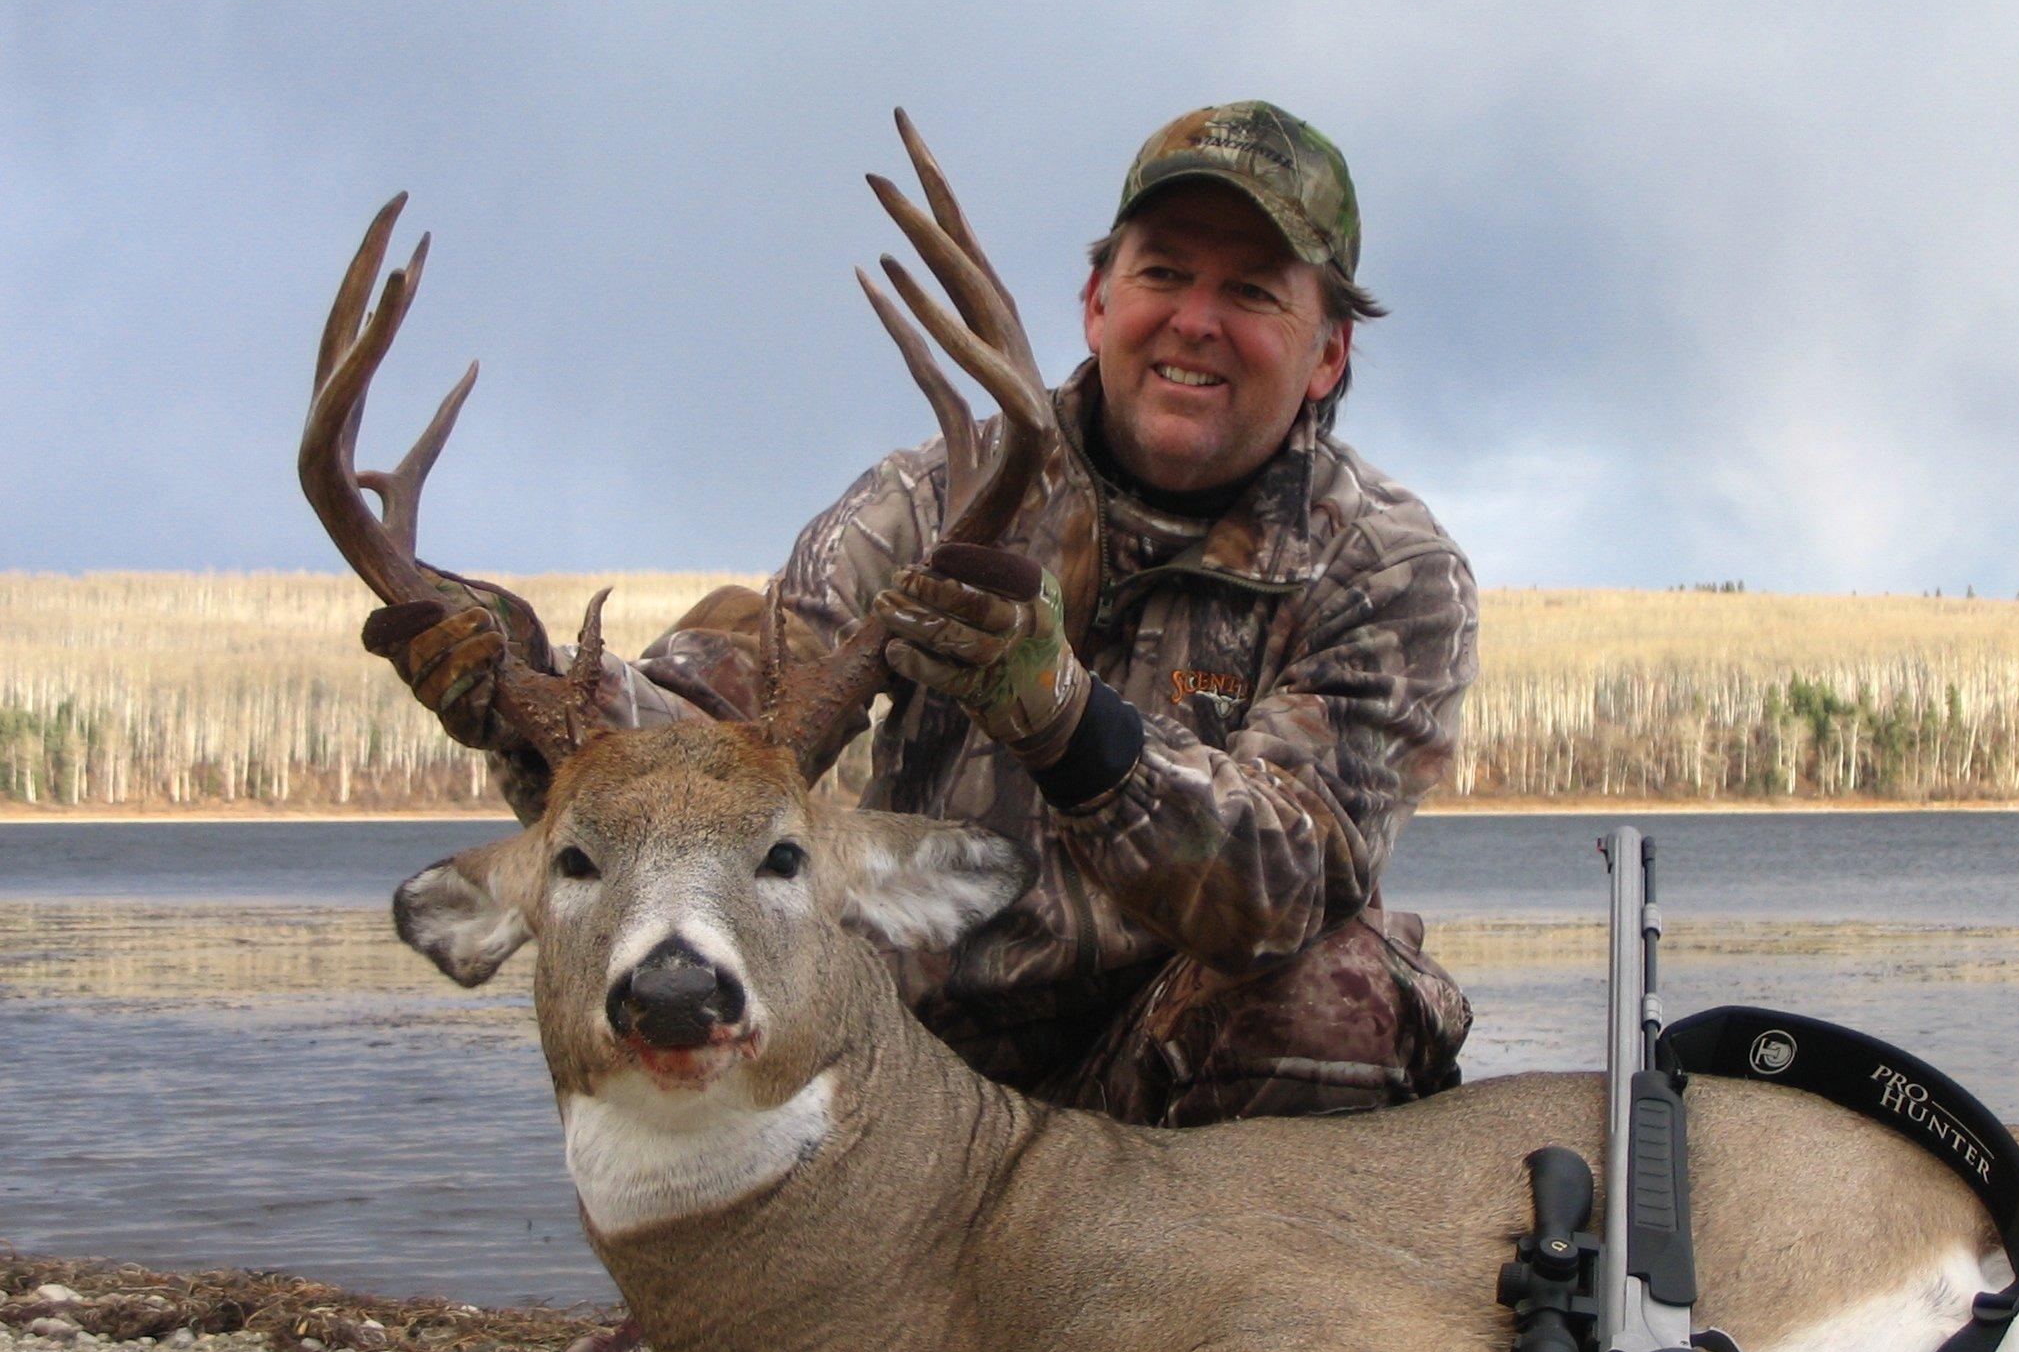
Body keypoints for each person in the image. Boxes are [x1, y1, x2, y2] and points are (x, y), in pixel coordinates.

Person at [371, 101, 1478, 1131]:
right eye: (1163, 274)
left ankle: (1245, 1330)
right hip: (905, 1079)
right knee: (703, 924)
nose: (1193, 321)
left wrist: (1064, 721)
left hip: (1163, 1082)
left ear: (1327, 350)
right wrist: (519, 682)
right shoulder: (927, 500)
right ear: (1096, 303)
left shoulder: (1384, 568)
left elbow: (1283, 887)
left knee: (1342, 993)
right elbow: (714, 757)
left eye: (1251, 293)